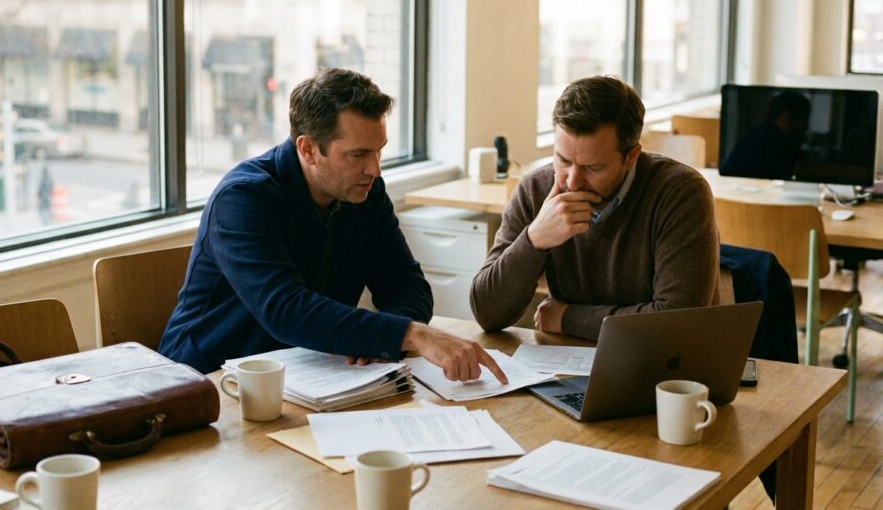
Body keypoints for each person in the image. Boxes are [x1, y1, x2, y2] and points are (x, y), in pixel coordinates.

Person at [160, 68, 507, 383]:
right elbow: (285, 309)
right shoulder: (243, 198)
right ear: (308, 149)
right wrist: (409, 334)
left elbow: (407, 286)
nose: (375, 170)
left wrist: (376, 340)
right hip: (207, 381)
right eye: (358, 155)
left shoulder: (367, 194)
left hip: (309, 377)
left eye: (379, 151)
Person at [470, 75, 719, 340]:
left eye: (593, 167)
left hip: (660, 367)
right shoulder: (536, 189)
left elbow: (677, 322)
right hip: (564, 363)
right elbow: (487, 313)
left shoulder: (680, 192)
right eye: (562, 160)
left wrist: (568, 318)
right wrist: (535, 239)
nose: (573, 181)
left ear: (631, 156)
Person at [720, 90, 811, 180]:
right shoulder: (772, 141)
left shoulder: (764, 133)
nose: (806, 127)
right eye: (804, 120)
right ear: (786, 116)